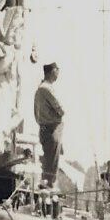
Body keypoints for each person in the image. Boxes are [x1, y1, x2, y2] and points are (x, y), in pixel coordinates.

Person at [32, 61, 66, 189]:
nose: (58, 73)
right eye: (57, 70)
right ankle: (48, 185)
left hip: (46, 128)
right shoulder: (46, 89)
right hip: (52, 128)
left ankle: (47, 183)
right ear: (52, 71)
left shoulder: (40, 88)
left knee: (49, 160)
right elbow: (60, 109)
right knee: (52, 162)